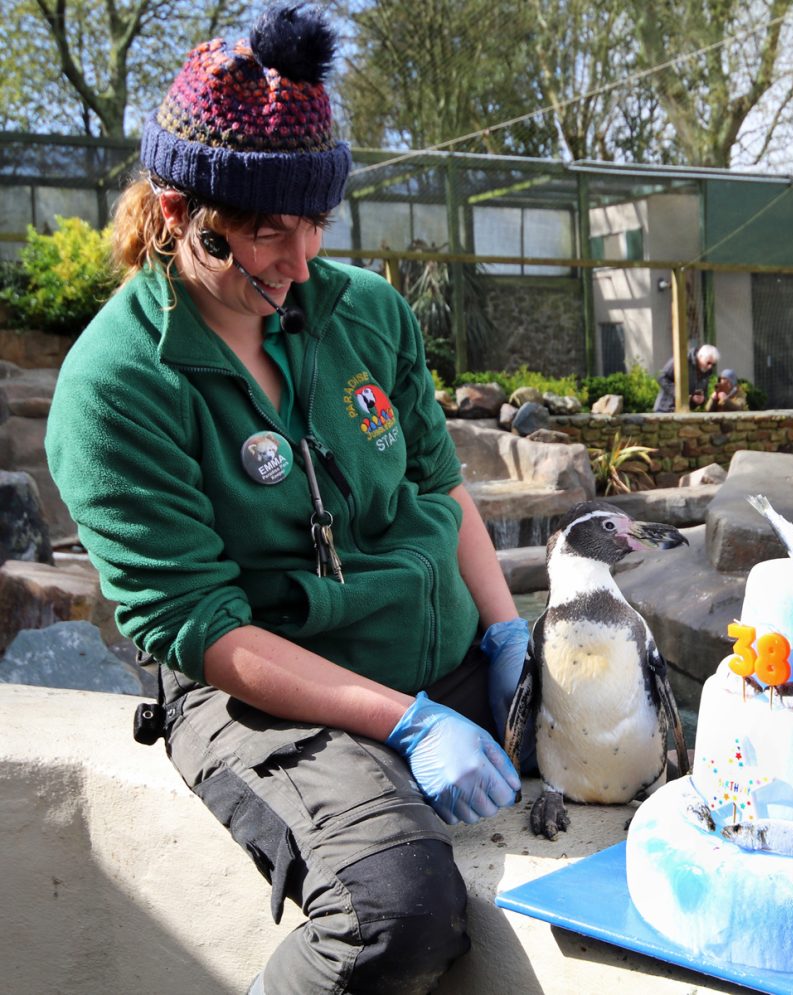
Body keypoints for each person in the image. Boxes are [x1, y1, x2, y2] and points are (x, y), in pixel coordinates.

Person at [44, 6, 528, 993]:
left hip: (432, 649)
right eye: (268, 233)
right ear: (180, 214)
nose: (303, 262)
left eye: (316, 225)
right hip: (260, 692)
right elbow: (204, 626)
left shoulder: (368, 312)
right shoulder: (116, 386)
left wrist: (509, 631)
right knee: (395, 909)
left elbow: (439, 485)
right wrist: (406, 721)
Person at [653, 343, 720, 412]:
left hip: (684, 412)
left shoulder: (707, 372)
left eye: (713, 364)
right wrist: (678, 393)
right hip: (665, 409)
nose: (710, 367)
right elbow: (661, 377)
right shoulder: (681, 360)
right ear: (700, 356)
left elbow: (703, 395)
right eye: (708, 363)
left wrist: (700, 400)